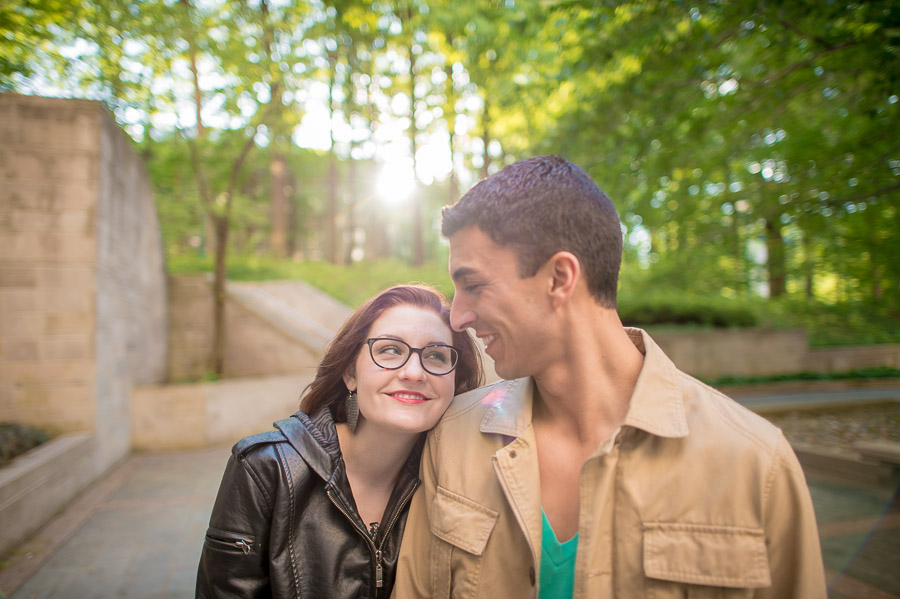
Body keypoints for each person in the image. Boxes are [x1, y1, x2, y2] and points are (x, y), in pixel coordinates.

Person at [393, 156, 826, 598]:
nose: (459, 316)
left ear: (560, 277)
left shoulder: (756, 466)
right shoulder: (452, 436)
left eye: (473, 284)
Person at [196, 284, 482, 598]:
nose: (414, 372)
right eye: (390, 349)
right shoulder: (265, 471)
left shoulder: (459, 483)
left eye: (436, 355)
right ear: (350, 373)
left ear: (456, 382)